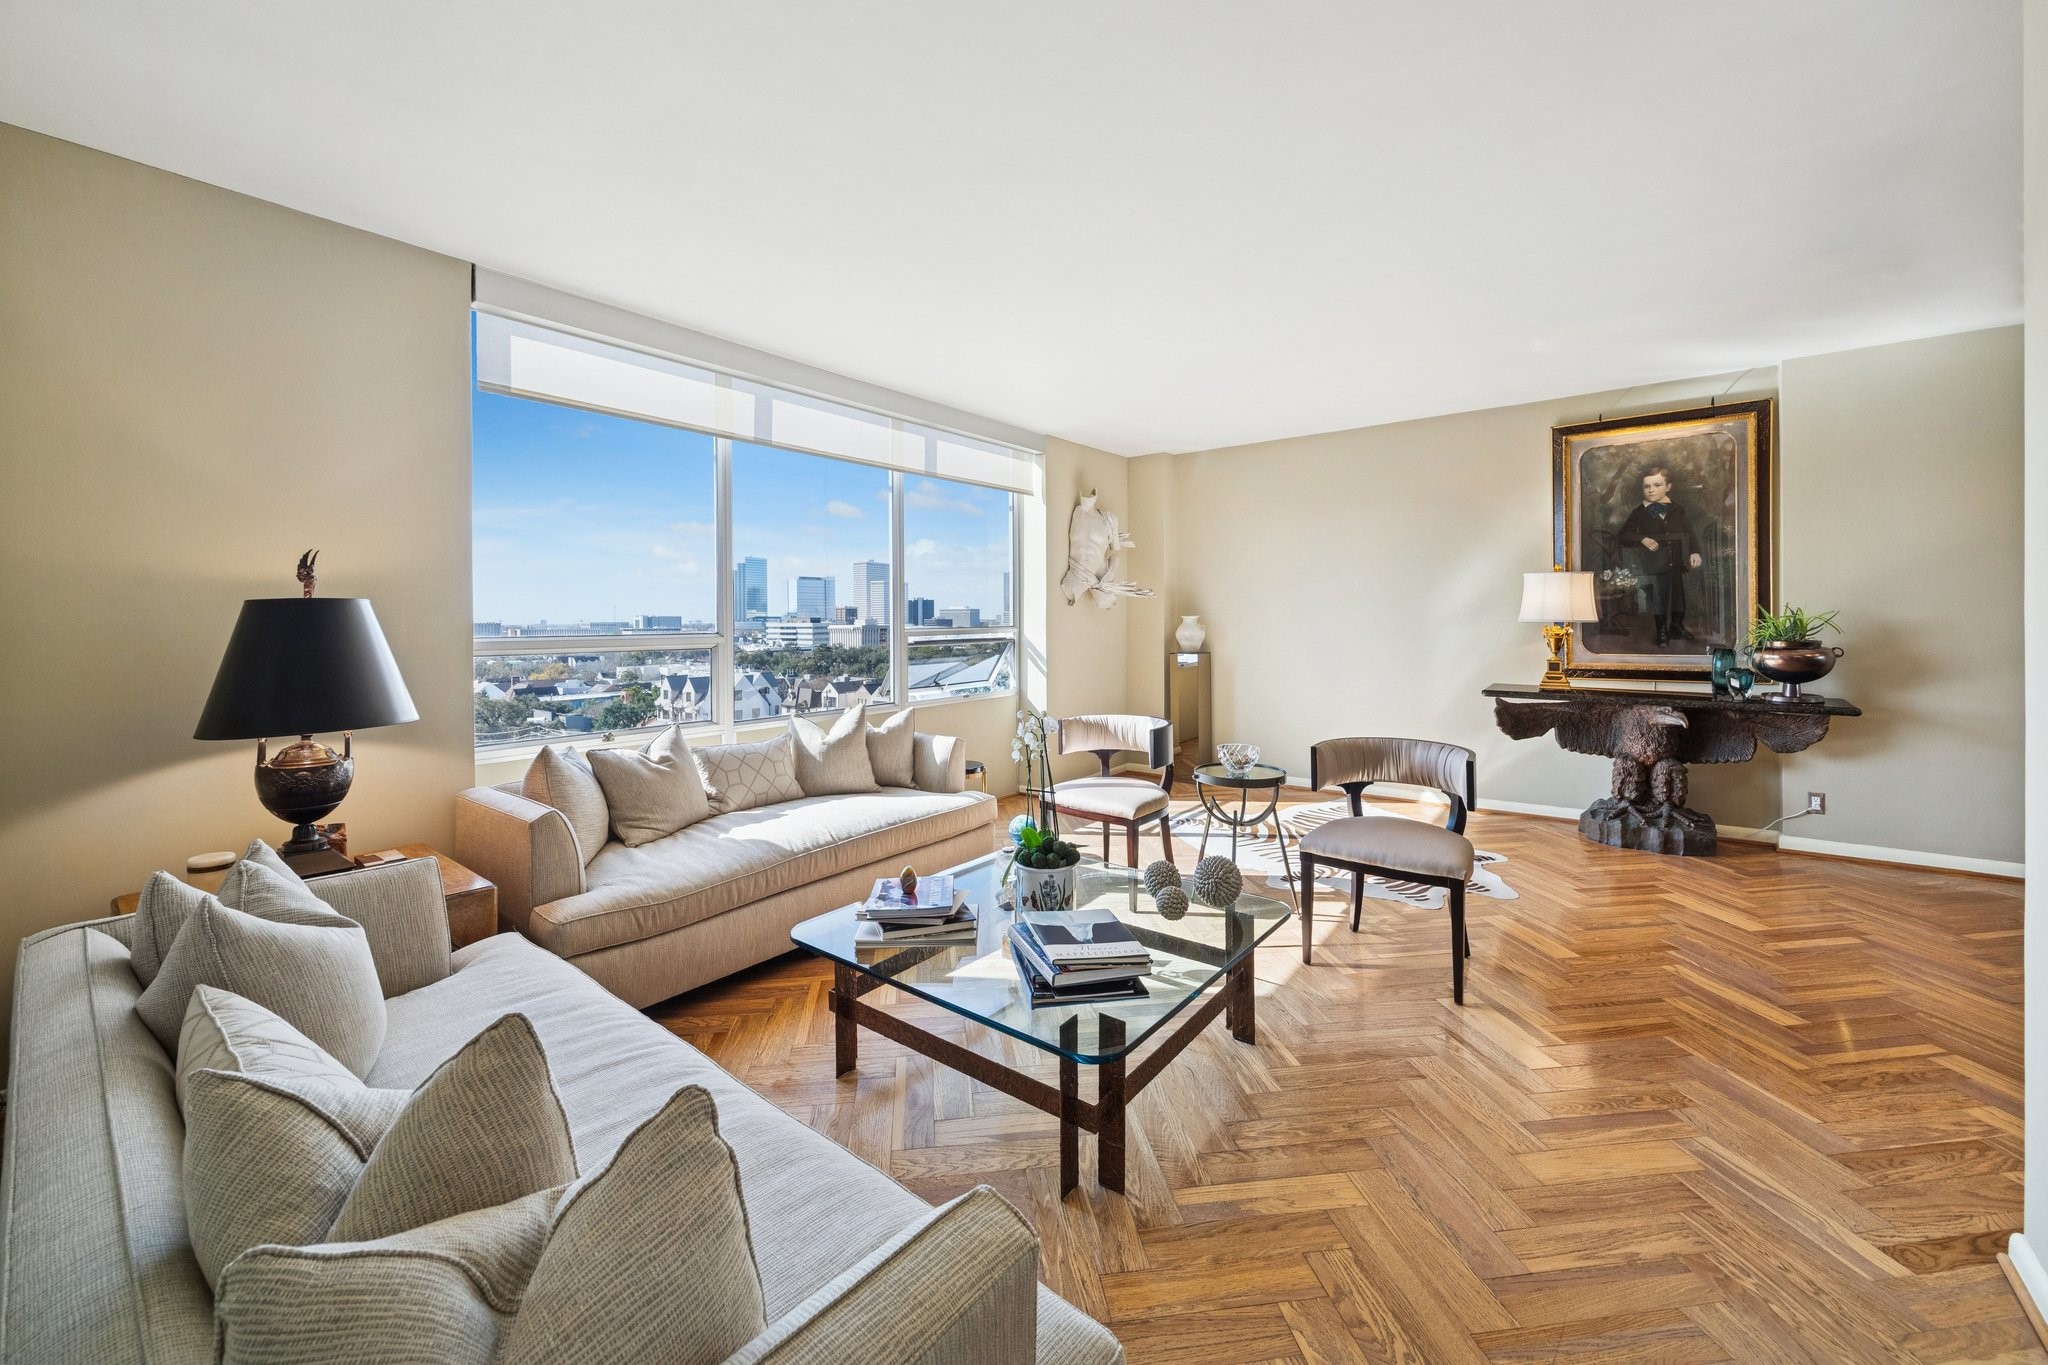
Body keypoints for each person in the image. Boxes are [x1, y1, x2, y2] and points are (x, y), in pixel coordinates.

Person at [1617, 466, 1702, 647]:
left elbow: (1689, 532)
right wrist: (1642, 538)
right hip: (1655, 563)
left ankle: (1677, 626)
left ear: (1668, 486)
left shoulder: (1677, 509)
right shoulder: (1639, 512)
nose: (1651, 490)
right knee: (1660, 597)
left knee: (1678, 595)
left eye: (1656, 485)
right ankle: (1662, 630)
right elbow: (1623, 535)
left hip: (1676, 561)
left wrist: (1695, 551)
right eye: (1646, 486)